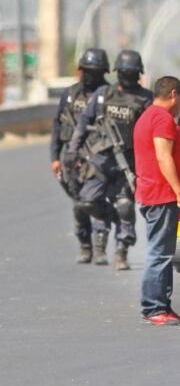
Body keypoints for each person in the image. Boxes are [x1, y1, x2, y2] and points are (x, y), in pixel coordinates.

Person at [65, 50, 153, 270]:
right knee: (86, 202)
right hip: (100, 163)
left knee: (125, 206)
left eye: (132, 73)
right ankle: (109, 215)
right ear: (117, 72)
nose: (128, 77)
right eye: (124, 72)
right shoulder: (104, 94)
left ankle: (121, 251)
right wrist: (72, 150)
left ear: (138, 75)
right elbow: (83, 124)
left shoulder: (146, 99)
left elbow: (153, 134)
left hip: (128, 166)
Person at [133, 75, 180, 325]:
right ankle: (154, 307)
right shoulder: (162, 119)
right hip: (161, 195)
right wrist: (179, 192)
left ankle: (162, 305)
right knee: (159, 254)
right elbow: (163, 156)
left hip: (153, 194)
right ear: (174, 94)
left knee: (164, 253)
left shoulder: (148, 116)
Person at [50, 48, 110, 263]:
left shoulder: (107, 94)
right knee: (79, 204)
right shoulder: (70, 95)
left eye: (95, 71)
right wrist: (55, 157)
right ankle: (85, 244)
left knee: (96, 201)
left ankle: (100, 247)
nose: (90, 75)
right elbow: (58, 126)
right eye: (87, 70)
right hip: (73, 159)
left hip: (99, 160)